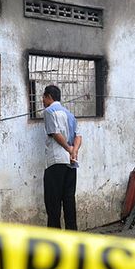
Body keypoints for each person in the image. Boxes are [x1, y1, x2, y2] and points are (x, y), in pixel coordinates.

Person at [42, 85, 82, 230]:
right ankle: (72, 235)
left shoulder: (49, 112)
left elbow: (55, 133)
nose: (42, 101)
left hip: (56, 161)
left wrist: (68, 148)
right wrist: (74, 151)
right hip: (71, 162)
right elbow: (78, 136)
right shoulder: (69, 114)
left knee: (53, 202)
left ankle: (54, 239)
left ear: (49, 97)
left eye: (43, 97)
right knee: (69, 200)